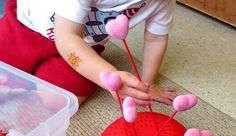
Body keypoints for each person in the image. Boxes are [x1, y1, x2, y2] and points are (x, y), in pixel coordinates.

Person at [0, 0, 177, 106]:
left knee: (58, 101)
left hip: (83, 45)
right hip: (26, 27)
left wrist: (147, 85)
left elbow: (156, 39)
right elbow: (66, 36)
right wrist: (106, 76)